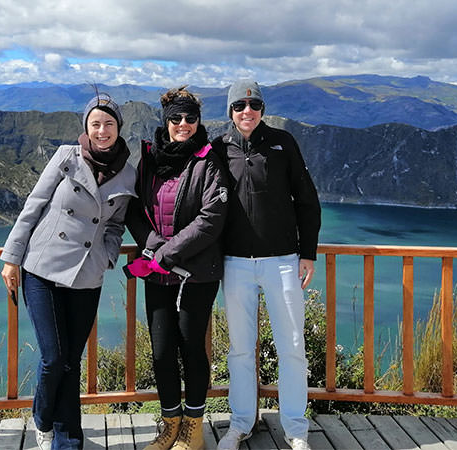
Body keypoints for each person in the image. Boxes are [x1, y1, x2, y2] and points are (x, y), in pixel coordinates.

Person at [0, 93, 136, 450]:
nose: (102, 131)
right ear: (86, 128)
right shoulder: (66, 157)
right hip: (42, 269)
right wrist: (11, 257)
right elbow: (34, 205)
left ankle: (68, 438)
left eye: (109, 124)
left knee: (71, 361)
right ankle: (42, 418)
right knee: (54, 357)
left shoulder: (128, 173)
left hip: (86, 275)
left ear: (119, 128)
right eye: (95, 124)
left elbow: (116, 225)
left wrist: (106, 256)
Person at [211, 79, 321, 450]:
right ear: (230, 111)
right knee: (240, 348)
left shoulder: (283, 143)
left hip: (284, 261)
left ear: (262, 108)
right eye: (239, 106)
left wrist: (308, 253)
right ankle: (240, 423)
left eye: (254, 105)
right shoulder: (218, 148)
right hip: (236, 263)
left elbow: (307, 199)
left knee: (291, 345)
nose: (247, 112)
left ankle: (295, 427)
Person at [125, 86, 229, 450]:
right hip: (156, 269)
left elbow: (211, 219)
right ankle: (170, 423)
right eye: (176, 118)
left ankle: (193, 428)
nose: (183, 124)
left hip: (197, 272)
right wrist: (154, 248)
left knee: (190, 347)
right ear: (165, 121)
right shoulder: (150, 159)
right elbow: (134, 210)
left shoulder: (208, 160)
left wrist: (165, 253)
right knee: (161, 348)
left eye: (190, 118)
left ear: (198, 121)